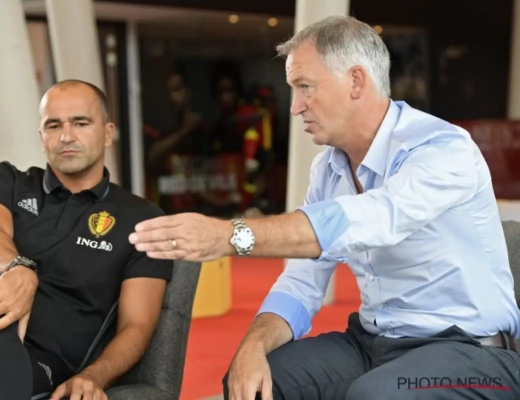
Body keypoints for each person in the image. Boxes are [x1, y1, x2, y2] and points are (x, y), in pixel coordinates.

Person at [127, 16, 520, 400]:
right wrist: (253, 345)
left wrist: (230, 235)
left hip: (473, 353)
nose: (295, 107)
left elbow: (373, 218)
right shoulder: (328, 168)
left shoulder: (442, 148)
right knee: (252, 381)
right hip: (374, 344)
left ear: (356, 81)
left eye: (305, 87)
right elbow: (302, 281)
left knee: (377, 395)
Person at [0, 79, 173, 400]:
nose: (66, 136)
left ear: (108, 133)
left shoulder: (143, 219)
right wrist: (19, 270)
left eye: (81, 123)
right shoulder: (4, 180)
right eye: (54, 125)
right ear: (41, 137)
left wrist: (93, 376)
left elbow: (137, 326)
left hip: (42, 360)